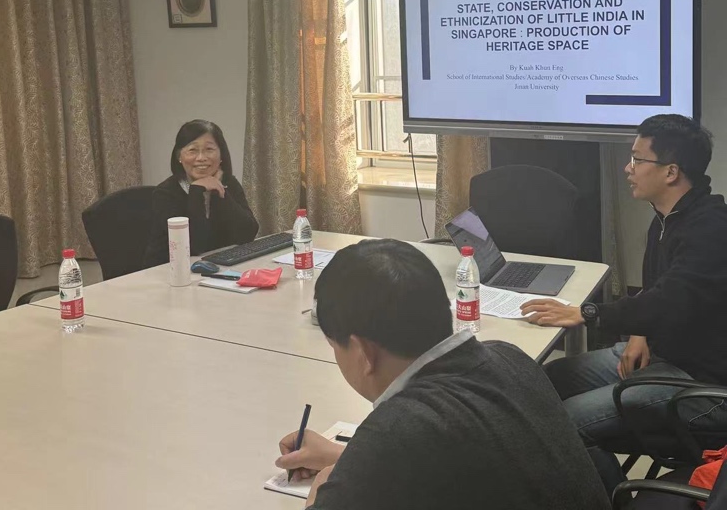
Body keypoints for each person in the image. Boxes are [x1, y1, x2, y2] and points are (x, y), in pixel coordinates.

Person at [275, 238, 611, 510]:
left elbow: (408, 447)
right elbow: (469, 464)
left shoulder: (397, 430)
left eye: (335, 346)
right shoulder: (508, 356)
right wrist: (348, 460)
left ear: (363, 352)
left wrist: (321, 493)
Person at [521, 114, 727, 497]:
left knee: (564, 426)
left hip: (703, 383)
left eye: (637, 159)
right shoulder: (667, 217)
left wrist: (587, 313)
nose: (627, 168)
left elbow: (670, 300)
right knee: (547, 381)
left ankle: (614, 502)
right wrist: (638, 334)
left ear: (671, 172)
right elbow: (659, 291)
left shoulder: (710, 230)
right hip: (666, 354)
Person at [143, 119, 258, 267]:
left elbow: (248, 234)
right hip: (168, 271)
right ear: (179, 156)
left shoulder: (229, 183)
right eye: (192, 150)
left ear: (221, 155)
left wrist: (219, 191)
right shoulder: (166, 193)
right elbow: (194, 246)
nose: (201, 158)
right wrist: (196, 191)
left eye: (209, 149)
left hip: (216, 268)